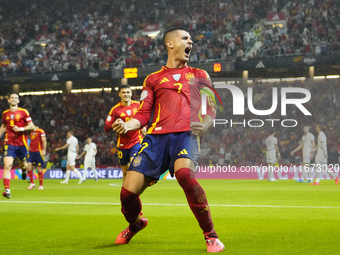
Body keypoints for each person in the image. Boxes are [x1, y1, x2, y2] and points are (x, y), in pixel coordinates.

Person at [113, 28, 224, 253]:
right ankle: (135, 224)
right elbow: (143, 114)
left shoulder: (200, 75)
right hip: (155, 139)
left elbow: (211, 108)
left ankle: (211, 236)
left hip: (186, 135)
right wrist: (127, 125)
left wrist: (205, 124)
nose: (190, 41)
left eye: (191, 39)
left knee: (185, 175)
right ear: (170, 44)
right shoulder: (153, 79)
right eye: (185, 38)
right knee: (127, 194)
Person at [104, 84, 145, 181]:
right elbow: (106, 127)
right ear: (119, 94)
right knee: (125, 171)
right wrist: (115, 124)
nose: (126, 94)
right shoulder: (115, 110)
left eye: (127, 92)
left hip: (136, 141)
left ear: (131, 93)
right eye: (123, 92)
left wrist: (144, 127)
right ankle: (126, 192)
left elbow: (145, 118)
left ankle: (134, 190)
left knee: (133, 165)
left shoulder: (138, 106)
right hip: (122, 144)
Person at [0, 93, 34, 198]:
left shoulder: (24, 112)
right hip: (9, 143)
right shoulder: (5, 113)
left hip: (22, 144)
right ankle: (7, 190)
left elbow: (32, 126)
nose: (14, 99)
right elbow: (4, 125)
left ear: (18, 101)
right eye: (12, 98)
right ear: (9, 100)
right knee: (7, 165)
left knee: (23, 165)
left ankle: (24, 171)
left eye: (16, 98)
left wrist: (21, 129)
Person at [27, 124, 46, 190]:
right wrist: (28, 149)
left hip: (38, 152)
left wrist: (44, 150)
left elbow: (44, 140)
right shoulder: (31, 132)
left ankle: (41, 185)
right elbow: (32, 142)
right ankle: (32, 183)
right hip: (31, 152)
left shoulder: (41, 131)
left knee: (38, 168)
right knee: (29, 166)